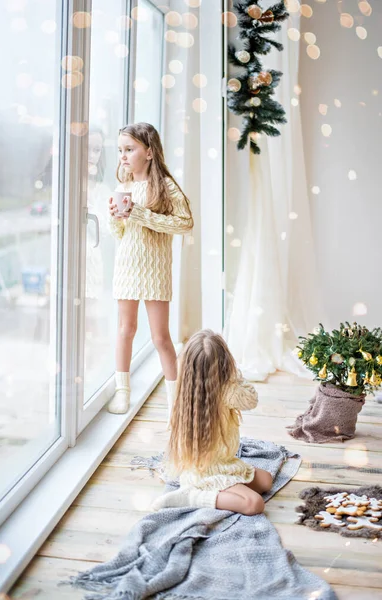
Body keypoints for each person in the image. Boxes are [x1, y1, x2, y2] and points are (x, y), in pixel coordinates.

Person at [107, 122, 194, 415]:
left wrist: (140, 213)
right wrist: (116, 218)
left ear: (149, 152)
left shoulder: (166, 187)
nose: (123, 156)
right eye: (120, 150)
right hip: (127, 267)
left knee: (160, 337)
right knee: (125, 329)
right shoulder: (124, 187)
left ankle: (176, 401)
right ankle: (122, 392)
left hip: (155, 270)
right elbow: (120, 234)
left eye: (129, 149)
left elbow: (184, 224)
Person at [151, 330, 273, 514]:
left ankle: (216, 491)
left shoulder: (184, 388)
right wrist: (235, 374)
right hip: (204, 473)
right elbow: (251, 398)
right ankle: (190, 497)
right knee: (254, 504)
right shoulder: (228, 391)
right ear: (226, 363)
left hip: (223, 463)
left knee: (266, 480)